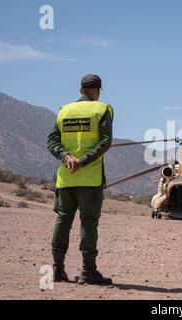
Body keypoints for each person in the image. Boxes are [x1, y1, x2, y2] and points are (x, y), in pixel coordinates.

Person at [47, 74, 114, 285]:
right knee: (89, 223)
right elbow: (105, 141)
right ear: (98, 90)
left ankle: (57, 270)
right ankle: (88, 272)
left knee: (62, 221)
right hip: (90, 180)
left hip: (66, 179)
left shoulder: (64, 110)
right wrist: (83, 161)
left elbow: (52, 141)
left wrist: (66, 157)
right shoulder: (102, 109)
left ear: (80, 89)